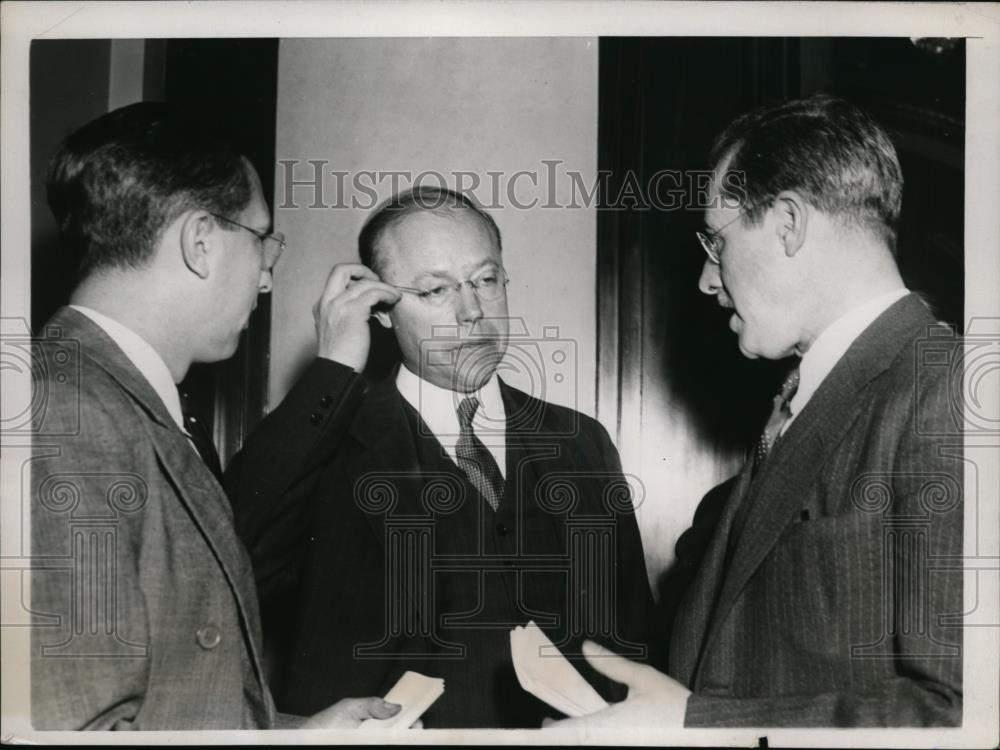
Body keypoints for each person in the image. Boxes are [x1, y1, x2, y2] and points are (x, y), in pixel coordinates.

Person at [546, 95, 963, 728]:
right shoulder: (804, 401)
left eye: (716, 240)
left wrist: (693, 723)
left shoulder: (947, 389)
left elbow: (958, 713)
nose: (706, 280)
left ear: (788, 223)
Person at [227, 187, 658, 728]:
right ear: (381, 310)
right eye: (436, 290)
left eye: (485, 280)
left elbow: (636, 644)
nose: (472, 310)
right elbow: (228, 554)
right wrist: (332, 369)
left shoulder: (580, 442)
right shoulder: (332, 443)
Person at [30, 102, 400, 730]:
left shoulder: (117, 400)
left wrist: (295, 736)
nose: (263, 279)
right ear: (201, 241)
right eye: (262, 240)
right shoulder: (65, 414)